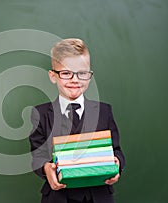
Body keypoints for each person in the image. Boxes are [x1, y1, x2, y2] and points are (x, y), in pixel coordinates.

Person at [29, 38, 125, 203]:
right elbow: (38, 155)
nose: (75, 80)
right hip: (58, 197)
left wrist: (118, 163)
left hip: (99, 196)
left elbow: (116, 149)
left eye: (82, 73)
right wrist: (46, 168)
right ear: (53, 76)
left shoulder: (104, 111)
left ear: (89, 75)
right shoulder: (40, 113)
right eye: (66, 73)